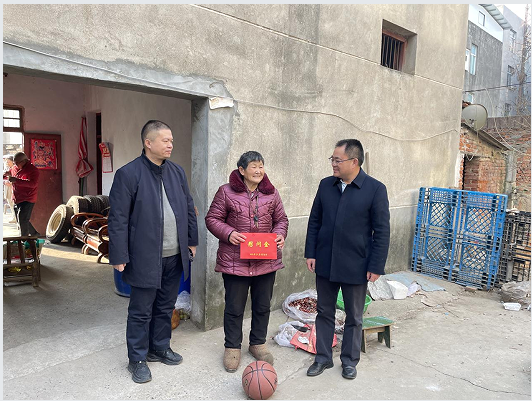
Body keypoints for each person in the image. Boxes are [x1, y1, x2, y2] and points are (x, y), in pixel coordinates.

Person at [108, 120, 198, 384]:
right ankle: (137, 359)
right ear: (148, 143)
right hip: (144, 256)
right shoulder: (128, 174)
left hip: (175, 254)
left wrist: (191, 241)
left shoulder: (177, 172)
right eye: (165, 140)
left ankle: (159, 347)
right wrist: (119, 255)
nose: (170, 145)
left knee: (166, 306)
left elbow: (188, 207)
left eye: (171, 140)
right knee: (141, 310)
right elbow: (118, 219)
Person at [304, 139, 390, 380]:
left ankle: (350, 361)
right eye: (332, 159)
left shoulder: (375, 189)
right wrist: (311, 252)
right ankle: (322, 357)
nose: (333, 164)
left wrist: (376, 265)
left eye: (337, 160)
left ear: (354, 162)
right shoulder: (326, 185)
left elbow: (382, 231)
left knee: (354, 315)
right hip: (325, 260)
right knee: (324, 311)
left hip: (357, 264)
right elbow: (314, 221)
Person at [205, 151, 289, 373]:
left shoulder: (272, 193)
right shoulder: (226, 192)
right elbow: (212, 218)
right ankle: (232, 347)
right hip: (235, 262)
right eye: (253, 166)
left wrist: (280, 234)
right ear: (241, 170)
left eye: (261, 166)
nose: (258, 171)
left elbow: (281, 219)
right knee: (234, 307)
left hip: (265, 261)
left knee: (262, 306)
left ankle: (257, 343)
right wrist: (229, 233)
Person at [4, 152, 40, 236]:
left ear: (24, 161)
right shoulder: (15, 167)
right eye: (14, 163)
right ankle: (34, 234)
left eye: (17, 163)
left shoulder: (33, 170)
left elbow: (33, 184)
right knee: (20, 219)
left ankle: (24, 239)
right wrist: (6, 174)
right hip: (17, 197)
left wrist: (17, 181)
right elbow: (11, 172)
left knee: (22, 219)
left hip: (28, 198)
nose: (15, 165)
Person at [3, 155, 16, 223]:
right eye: (7, 162)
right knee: (9, 202)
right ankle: (13, 216)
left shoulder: (15, 169)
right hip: (7, 187)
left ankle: (15, 217)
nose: (7, 163)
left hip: (12, 188)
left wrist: (11, 182)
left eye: (8, 162)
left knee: (13, 202)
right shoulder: (7, 169)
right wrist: (4, 182)